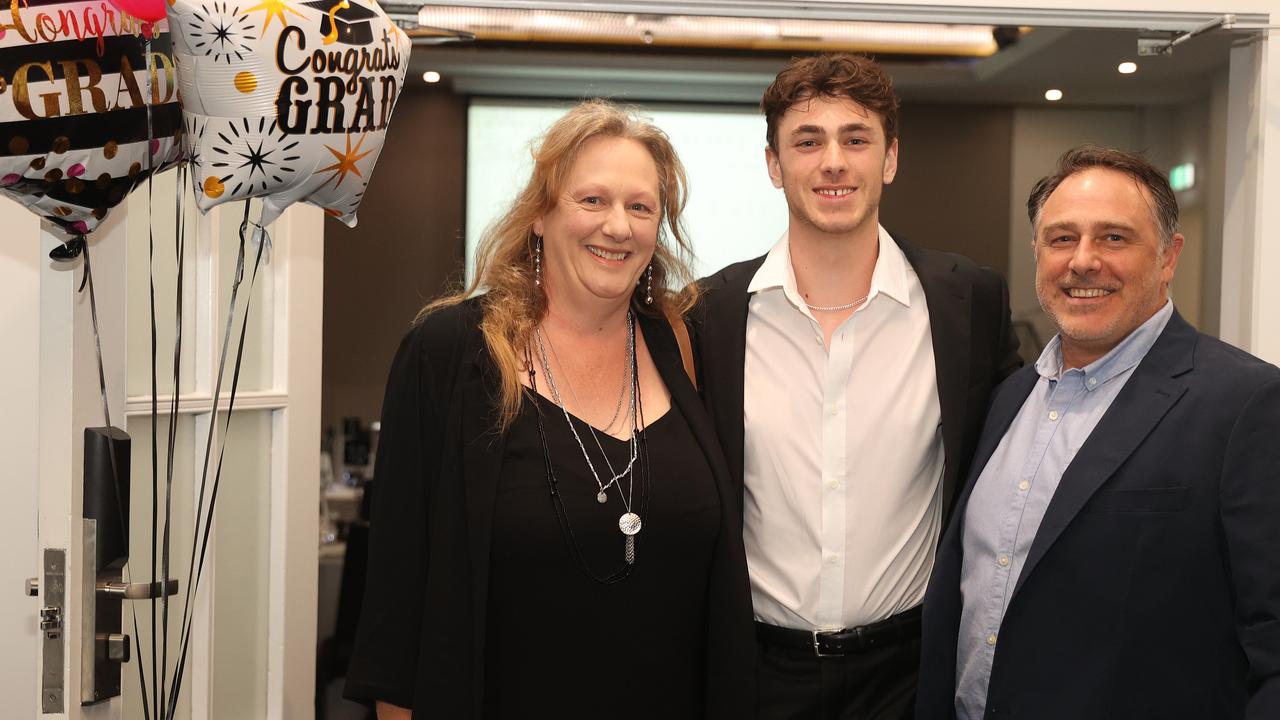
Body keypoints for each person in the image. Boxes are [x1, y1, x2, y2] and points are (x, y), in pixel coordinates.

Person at [343, 99, 756, 719]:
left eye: (640, 207)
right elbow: (398, 605)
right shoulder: (451, 353)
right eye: (592, 200)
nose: (618, 226)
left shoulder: (686, 349)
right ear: (540, 215)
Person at [692, 53, 1021, 719]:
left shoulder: (967, 303)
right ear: (774, 165)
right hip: (755, 676)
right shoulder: (709, 314)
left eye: (856, 138)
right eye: (807, 141)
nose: (833, 162)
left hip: (909, 674)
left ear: (890, 158)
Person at [916, 145, 1280, 719]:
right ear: (1037, 254)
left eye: (1114, 238)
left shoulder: (1247, 404)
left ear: (1167, 256)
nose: (1083, 261)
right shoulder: (1007, 398)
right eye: (1062, 239)